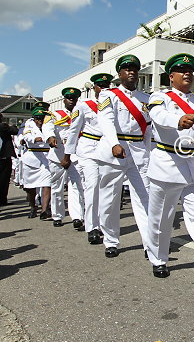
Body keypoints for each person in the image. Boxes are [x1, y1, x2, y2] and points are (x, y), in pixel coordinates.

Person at [146, 53, 194, 283]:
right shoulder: (160, 97)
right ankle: (159, 259)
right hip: (168, 164)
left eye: (190, 71)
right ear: (171, 76)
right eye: (182, 70)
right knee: (161, 218)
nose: (187, 74)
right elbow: (157, 115)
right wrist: (176, 121)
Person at [96, 55, 151, 258]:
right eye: (127, 68)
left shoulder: (146, 99)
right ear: (119, 73)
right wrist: (114, 143)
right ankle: (111, 240)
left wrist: (147, 150)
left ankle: (150, 244)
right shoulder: (108, 95)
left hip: (138, 150)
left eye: (134, 68)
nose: (131, 72)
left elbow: (148, 129)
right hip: (115, 150)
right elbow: (105, 119)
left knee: (146, 197)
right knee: (110, 198)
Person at [63, 73, 113, 244]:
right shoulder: (83, 105)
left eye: (106, 86)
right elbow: (73, 131)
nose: (104, 89)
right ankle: (92, 227)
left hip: (107, 148)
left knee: (106, 188)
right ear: (94, 88)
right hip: (89, 148)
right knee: (92, 186)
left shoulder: (113, 102)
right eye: (100, 86)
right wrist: (67, 155)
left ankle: (105, 224)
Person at [43, 87, 84, 228]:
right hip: (58, 153)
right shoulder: (54, 115)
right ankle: (57, 215)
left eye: (74, 98)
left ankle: (77, 216)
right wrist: (50, 137)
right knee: (57, 187)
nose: (71, 100)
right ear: (64, 100)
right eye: (69, 98)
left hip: (76, 154)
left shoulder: (82, 113)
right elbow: (47, 127)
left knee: (77, 185)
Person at [20, 108, 52, 218]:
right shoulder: (29, 125)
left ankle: (44, 210)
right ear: (34, 119)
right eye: (38, 118)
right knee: (30, 187)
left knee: (47, 183)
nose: (40, 121)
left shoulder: (49, 124)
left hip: (47, 157)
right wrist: (35, 139)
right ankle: (33, 207)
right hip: (32, 158)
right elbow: (26, 136)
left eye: (42, 118)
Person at [0, 113, 19, 206]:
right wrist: (11, 125)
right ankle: (2, 200)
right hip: (4, 158)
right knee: (4, 180)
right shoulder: (3, 126)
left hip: (4, 157)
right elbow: (15, 130)